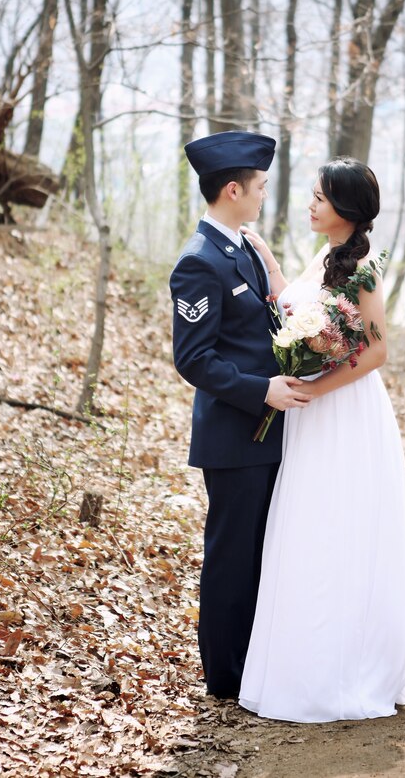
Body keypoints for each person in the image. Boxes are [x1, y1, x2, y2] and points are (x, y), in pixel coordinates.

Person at [238, 157, 405, 722]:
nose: (310, 204)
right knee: (306, 529)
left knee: (337, 528)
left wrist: (317, 390)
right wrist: (267, 258)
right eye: (313, 195)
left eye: (320, 197)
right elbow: (296, 305)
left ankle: (347, 669)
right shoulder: (327, 254)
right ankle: (302, 661)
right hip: (311, 410)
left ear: (345, 208)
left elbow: (376, 350)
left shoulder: (363, 264)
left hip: (345, 411)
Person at [169, 130, 311, 700]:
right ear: (233, 189)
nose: (262, 198)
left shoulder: (244, 246)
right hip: (233, 434)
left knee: (262, 547)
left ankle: (254, 660)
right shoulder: (198, 262)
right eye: (259, 188)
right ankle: (225, 678)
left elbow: (263, 327)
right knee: (232, 554)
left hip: (268, 429)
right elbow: (194, 359)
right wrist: (262, 391)